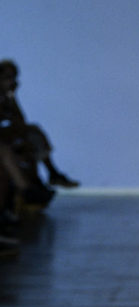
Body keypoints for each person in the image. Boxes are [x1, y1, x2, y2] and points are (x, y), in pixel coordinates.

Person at [0, 59, 79, 205]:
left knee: (32, 134)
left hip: (7, 136)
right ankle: (29, 188)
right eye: (7, 78)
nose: (12, 82)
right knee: (21, 140)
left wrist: (12, 96)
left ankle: (49, 175)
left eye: (14, 78)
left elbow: (20, 119)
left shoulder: (7, 96)